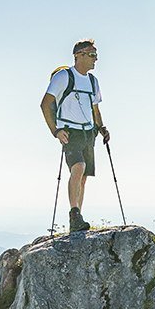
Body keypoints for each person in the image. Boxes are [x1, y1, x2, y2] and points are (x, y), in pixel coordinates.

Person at [40, 39, 111, 233]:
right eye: (91, 54)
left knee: (83, 176)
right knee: (78, 168)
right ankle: (74, 215)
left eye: (96, 54)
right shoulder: (64, 76)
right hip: (70, 132)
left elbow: (95, 108)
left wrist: (102, 128)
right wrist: (55, 131)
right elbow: (45, 104)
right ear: (78, 55)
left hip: (89, 133)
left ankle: (78, 217)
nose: (95, 59)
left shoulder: (93, 81)